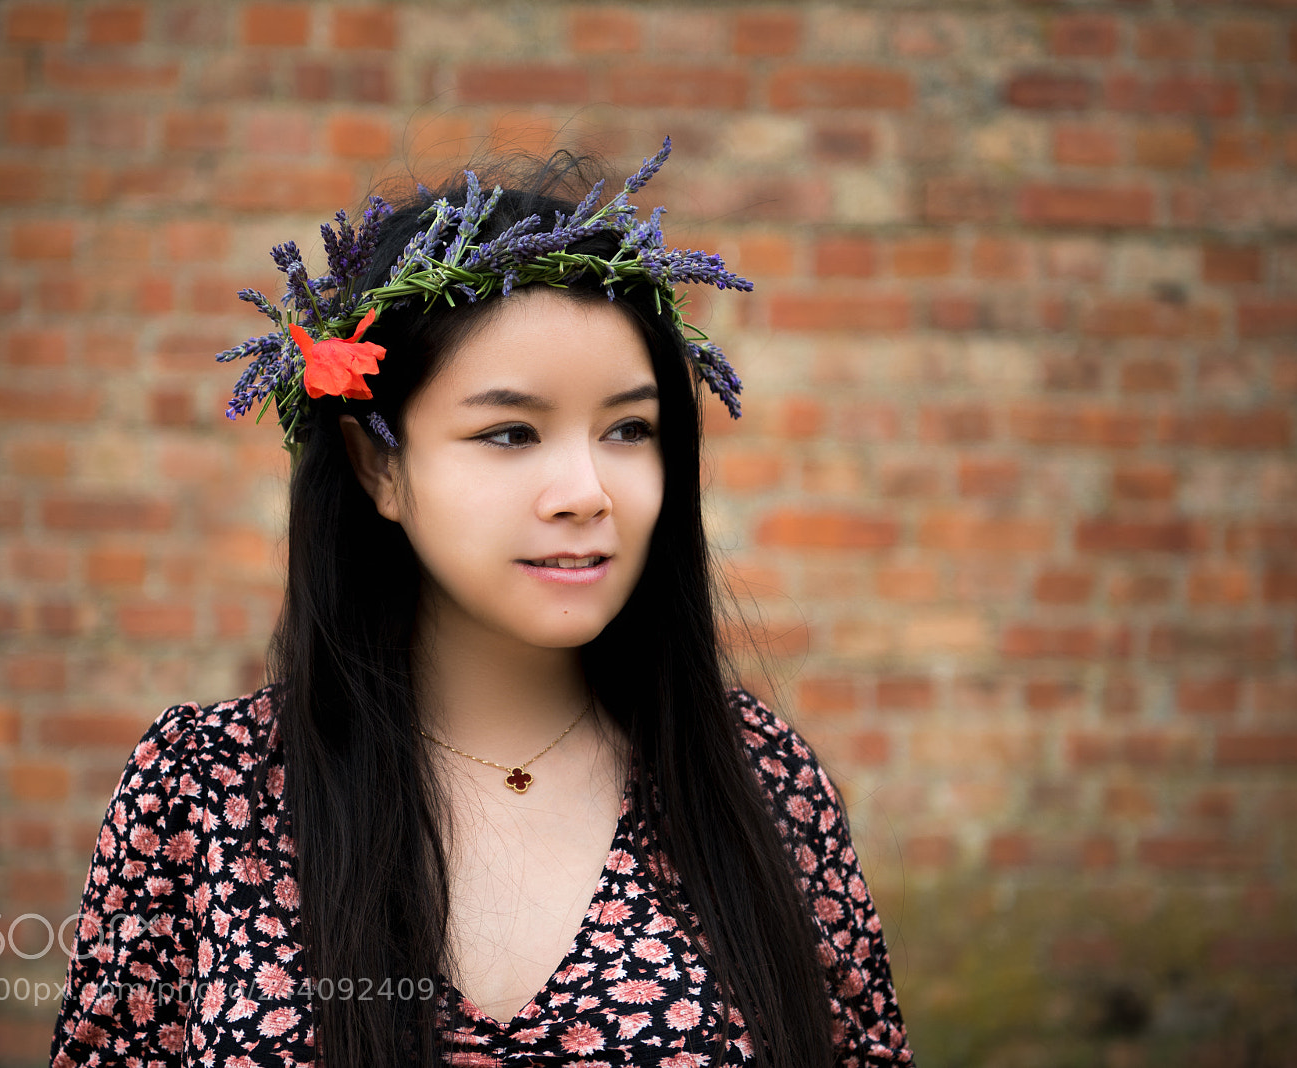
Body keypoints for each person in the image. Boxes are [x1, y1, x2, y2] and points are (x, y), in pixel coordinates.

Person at [49, 139, 914, 1068]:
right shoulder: (203, 792)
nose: (587, 491)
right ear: (378, 463)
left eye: (630, 429)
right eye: (511, 432)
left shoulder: (763, 790)